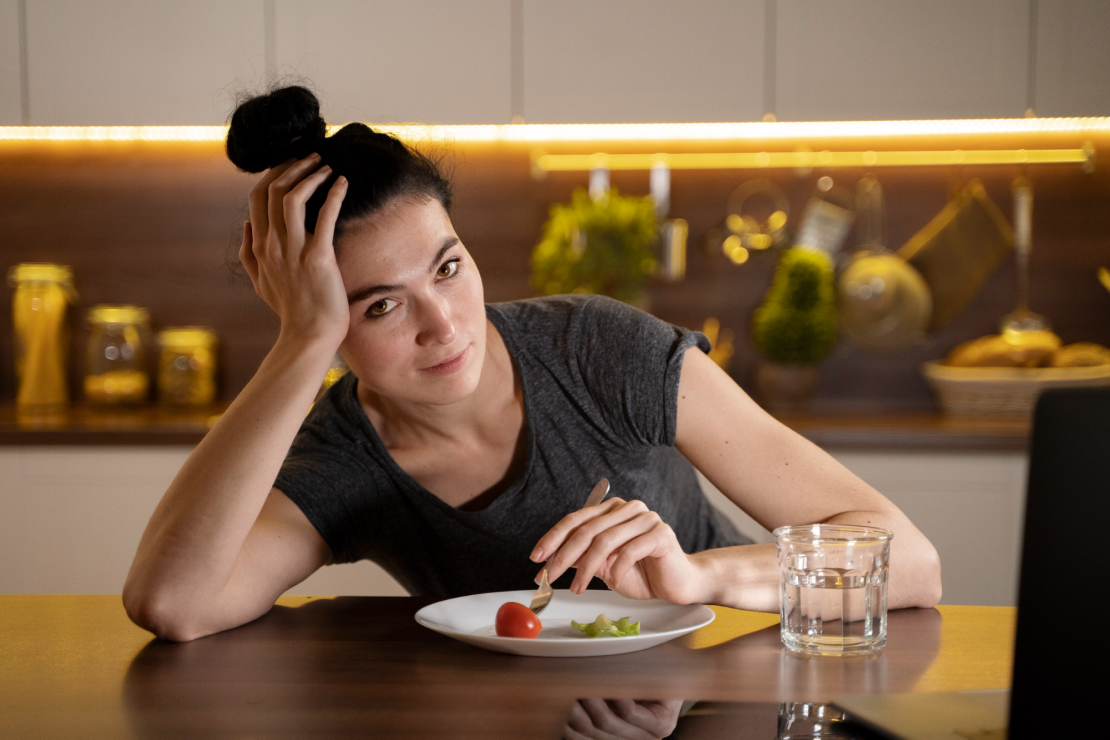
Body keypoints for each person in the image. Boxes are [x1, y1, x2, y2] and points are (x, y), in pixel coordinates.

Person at [123, 86, 941, 642]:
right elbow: (173, 603)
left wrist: (697, 577)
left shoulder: (598, 349)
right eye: (378, 305)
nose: (443, 325)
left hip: (724, 689)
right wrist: (299, 343)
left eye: (447, 268)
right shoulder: (345, 458)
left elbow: (909, 559)